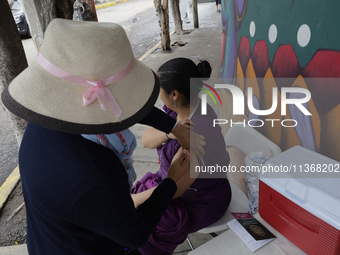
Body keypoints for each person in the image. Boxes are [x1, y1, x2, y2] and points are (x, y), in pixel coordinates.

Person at [1, 19, 205, 255]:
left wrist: (175, 128)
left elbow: (128, 104)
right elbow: (136, 233)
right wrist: (171, 181)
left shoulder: (46, 122)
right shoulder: (94, 174)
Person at [131, 58, 232, 254]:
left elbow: (175, 188)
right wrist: (172, 131)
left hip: (201, 198)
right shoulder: (175, 110)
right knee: (133, 215)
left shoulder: (199, 130)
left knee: (145, 223)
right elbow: (146, 140)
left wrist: (135, 200)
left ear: (174, 94)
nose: (158, 95)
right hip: (169, 184)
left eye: (159, 89)